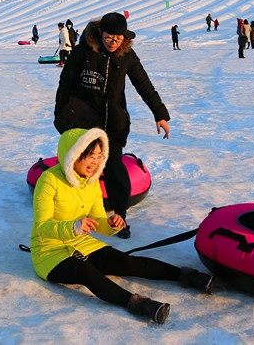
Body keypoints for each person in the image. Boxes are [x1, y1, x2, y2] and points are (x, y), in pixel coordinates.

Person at [30, 128, 213, 324]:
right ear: (73, 155)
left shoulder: (91, 182)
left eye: (100, 156)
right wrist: (74, 226)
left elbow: (98, 220)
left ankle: (187, 276)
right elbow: (41, 226)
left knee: (126, 262)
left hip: (82, 244)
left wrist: (111, 224)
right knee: (84, 271)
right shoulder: (49, 180)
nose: (96, 162)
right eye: (90, 156)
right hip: (49, 252)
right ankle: (138, 304)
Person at [54, 12, 170, 239]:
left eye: (118, 37)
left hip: (113, 121)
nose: (113, 41)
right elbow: (65, 83)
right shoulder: (82, 51)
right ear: (101, 33)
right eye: (109, 37)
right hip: (83, 120)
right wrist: (60, 112)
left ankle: (120, 216)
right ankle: (74, 212)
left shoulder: (127, 55)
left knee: (114, 164)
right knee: (79, 165)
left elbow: (144, 84)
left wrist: (160, 114)